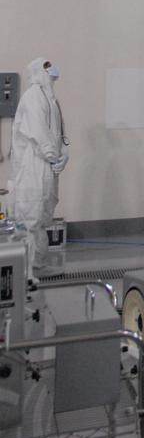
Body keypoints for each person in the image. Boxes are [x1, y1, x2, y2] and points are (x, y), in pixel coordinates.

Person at [10, 58, 68, 277]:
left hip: (46, 164)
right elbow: (39, 132)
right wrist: (53, 155)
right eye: (47, 66)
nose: (53, 68)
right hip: (33, 164)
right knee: (31, 217)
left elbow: (59, 131)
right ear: (38, 71)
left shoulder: (51, 99)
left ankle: (37, 266)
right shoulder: (34, 96)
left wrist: (64, 152)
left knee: (43, 216)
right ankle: (26, 272)